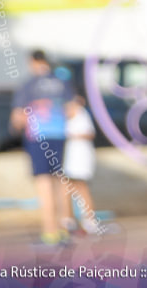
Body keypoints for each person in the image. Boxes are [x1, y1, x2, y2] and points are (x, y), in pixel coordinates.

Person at [10, 50, 77, 247]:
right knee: (60, 182)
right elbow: (72, 110)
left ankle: (50, 233)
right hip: (59, 135)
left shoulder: (28, 84)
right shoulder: (62, 82)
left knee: (44, 184)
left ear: (32, 62)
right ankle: (64, 230)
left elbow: (18, 118)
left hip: (38, 137)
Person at [61, 95, 99, 235]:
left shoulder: (82, 115)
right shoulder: (65, 116)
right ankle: (67, 220)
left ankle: (89, 220)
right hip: (70, 157)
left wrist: (72, 135)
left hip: (80, 157)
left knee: (81, 188)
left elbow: (89, 133)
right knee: (65, 188)